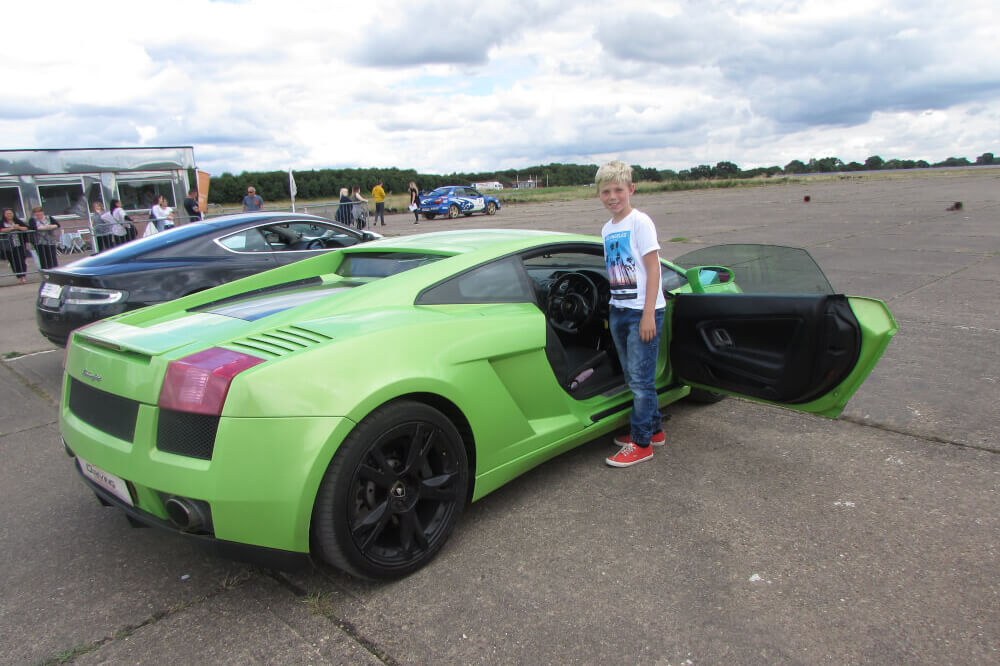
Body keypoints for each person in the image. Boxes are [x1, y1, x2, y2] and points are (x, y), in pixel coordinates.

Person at [597, 161, 667, 468]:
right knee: (633, 378)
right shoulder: (607, 229)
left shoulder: (640, 222)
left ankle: (641, 443)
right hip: (619, 309)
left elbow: (654, 269)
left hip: (642, 311)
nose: (612, 196)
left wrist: (648, 313)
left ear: (631, 190)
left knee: (641, 381)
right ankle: (654, 430)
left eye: (618, 190)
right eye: (606, 191)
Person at [27, 206, 60, 270]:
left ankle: (55, 272)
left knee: (53, 258)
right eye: (36, 212)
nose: (38, 213)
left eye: (40, 212)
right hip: (39, 243)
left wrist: (49, 227)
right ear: (34, 213)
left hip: (50, 241)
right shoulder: (32, 219)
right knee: (43, 260)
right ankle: (46, 274)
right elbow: (34, 227)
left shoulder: (49, 218)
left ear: (42, 212)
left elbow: (57, 225)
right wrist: (46, 227)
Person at [1, 208, 29, 283]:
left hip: (19, 243)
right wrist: (11, 228)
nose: (9, 215)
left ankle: (23, 276)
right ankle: (19, 277)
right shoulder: (2, 222)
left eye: (10, 213)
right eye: (7, 214)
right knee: (13, 261)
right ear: (4, 215)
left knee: (21, 260)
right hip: (9, 245)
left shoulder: (17, 221)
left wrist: (18, 227)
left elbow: (26, 228)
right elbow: (1, 230)